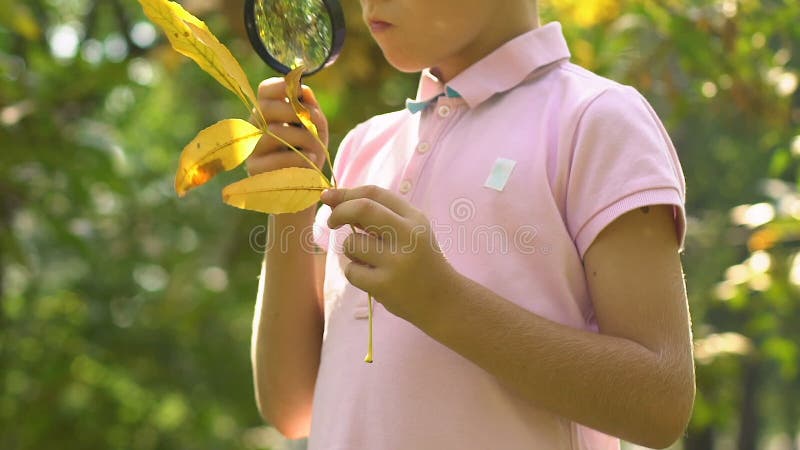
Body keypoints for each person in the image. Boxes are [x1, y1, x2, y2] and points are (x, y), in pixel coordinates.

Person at [247, 0, 696, 448]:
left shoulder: (594, 120)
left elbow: (661, 404)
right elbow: (291, 406)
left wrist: (442, 303)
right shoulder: (365, 146)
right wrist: (290, 200)